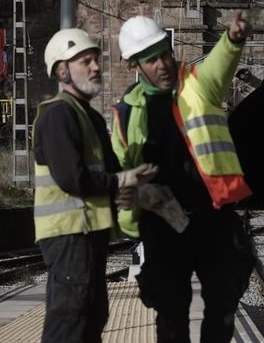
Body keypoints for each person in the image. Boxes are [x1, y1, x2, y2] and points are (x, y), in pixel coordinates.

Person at [110, 12, 254, 343]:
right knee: (171, 313)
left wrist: (232, 40)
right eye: (152, 60)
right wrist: (134, 218)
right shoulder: (126, 113)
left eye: (165, 54)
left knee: (223, 305)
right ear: (135, 65)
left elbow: (219, 64)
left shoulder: (198, 83)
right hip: (163, 224)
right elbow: (120, 173)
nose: (162, 64)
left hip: (213, 217)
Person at [35, 28, 158, 343]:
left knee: (92, 316)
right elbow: (72, 179)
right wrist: (121, 181)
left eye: (96, 60)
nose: (95, 67)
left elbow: (112, 171)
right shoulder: (57, 116)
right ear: (62, 70)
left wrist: (135, 190)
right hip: (69, 235)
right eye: (85, 61)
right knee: (70, 318)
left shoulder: (88, 117)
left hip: (89, 233)